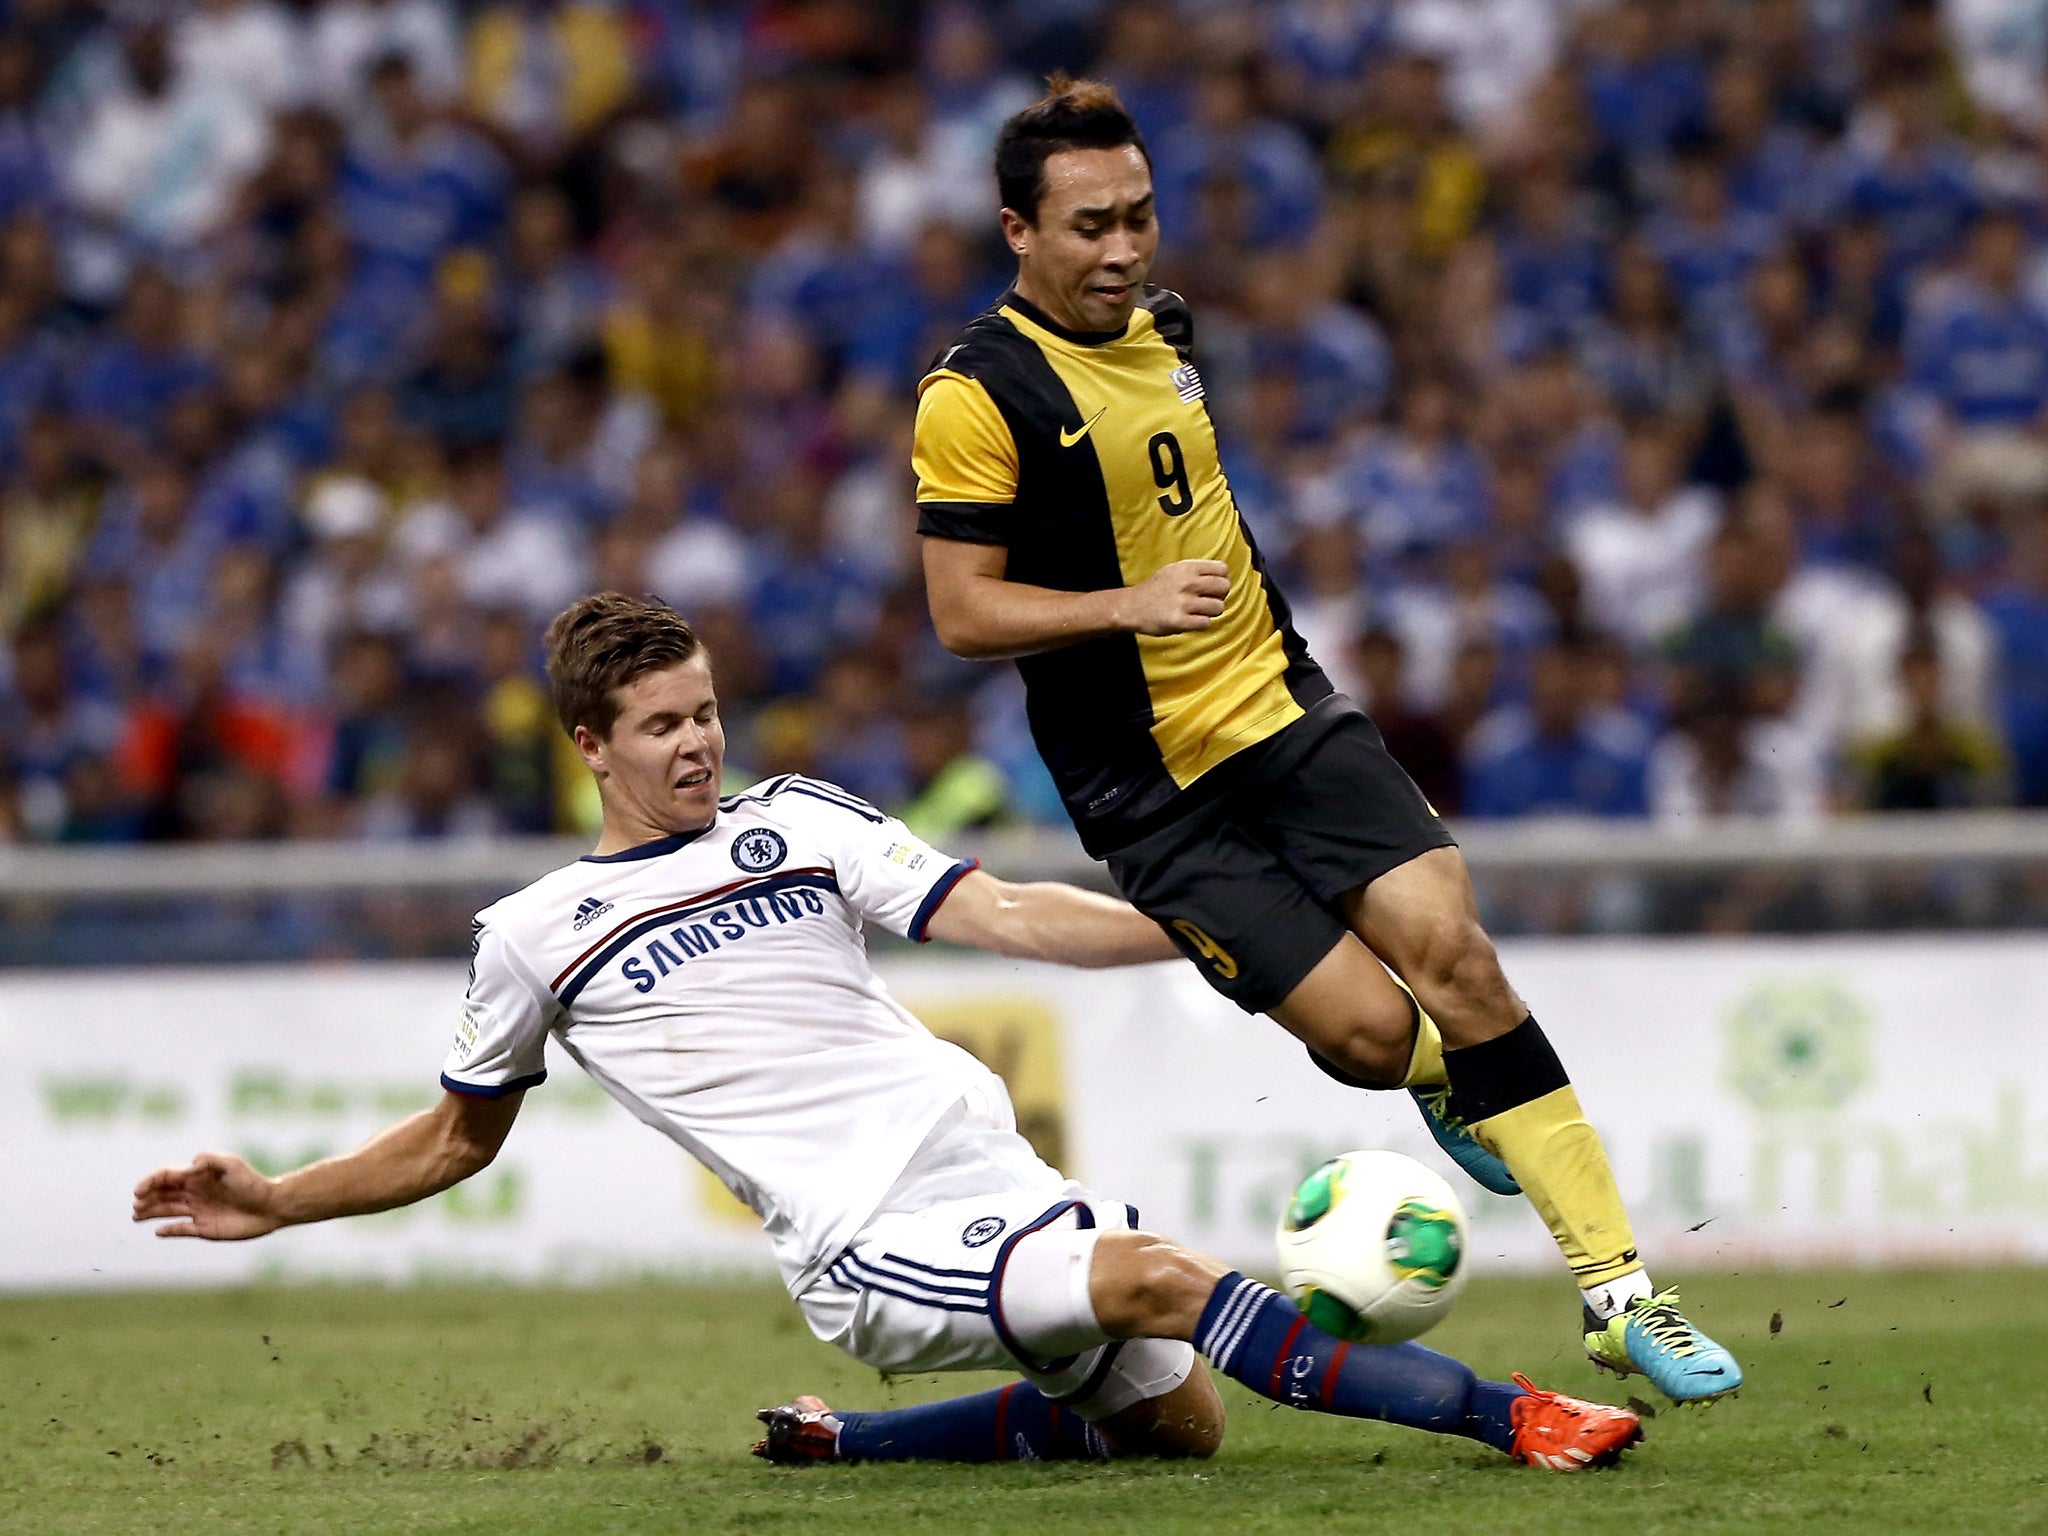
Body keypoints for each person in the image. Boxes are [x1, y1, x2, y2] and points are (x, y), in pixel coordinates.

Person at [131, 593, 1641, 1472]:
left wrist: (1225, 932)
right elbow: (457, 1138)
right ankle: (1520, 1420)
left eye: (707, 711)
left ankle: (845, 1445)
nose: (698, 743)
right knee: (1174, 1281)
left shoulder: (797, 821)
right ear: (588, 745)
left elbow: (1007, 914)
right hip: (867, 1231)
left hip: (994, 1167)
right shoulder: (534, 935)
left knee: (1179, 1431)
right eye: (661, 727)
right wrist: (277, 1201)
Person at [912, 77, 1740, 1400]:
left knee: (1459, 960)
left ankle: (1624, 1296)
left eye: (1138, 217)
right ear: (1017, 230)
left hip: (1285, 710)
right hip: (1148, 792)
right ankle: (1434, 1077)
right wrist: (1127, 603)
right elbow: (960, 611)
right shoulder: (977, 392)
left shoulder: (1165, 330)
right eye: (1087, 228)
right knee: (1368, 1036)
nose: (1122, 250)